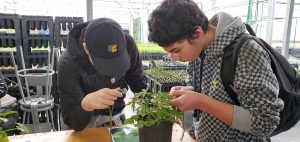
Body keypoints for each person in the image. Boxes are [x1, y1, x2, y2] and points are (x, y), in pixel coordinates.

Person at [148, 0, 284, 141]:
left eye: (176, 50)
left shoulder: (247, 52)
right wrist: (188, 91)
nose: (174, 58)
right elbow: (210, 90)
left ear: (197, 33)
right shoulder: (197, 51)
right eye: (168, 52)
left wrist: (201, 102)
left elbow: (265, 122)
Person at [58, 18, 146, 131]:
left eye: (117, 61)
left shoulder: (127, 43)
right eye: (103, 63)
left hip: (115, 115)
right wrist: (86, 104)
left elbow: (138, 81)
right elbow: (72, 119)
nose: (111, 71)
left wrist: (150, 104)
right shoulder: (68, 62)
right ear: (86, 48)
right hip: (81, 122)